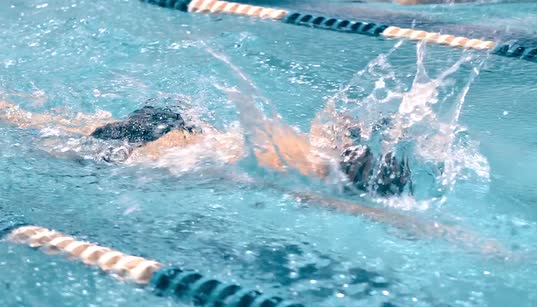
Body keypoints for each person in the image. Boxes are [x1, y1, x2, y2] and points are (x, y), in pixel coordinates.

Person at [0, 93, 412, 198]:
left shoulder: (315, 148)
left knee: (42, 123)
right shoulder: (308, 173)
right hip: (154, 152)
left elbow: (339, 120)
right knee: (40, 138)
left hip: (183, 130)